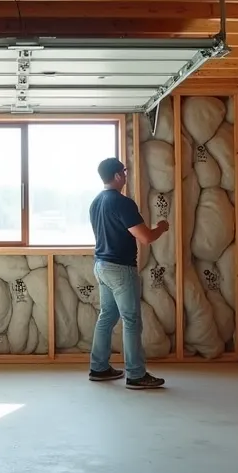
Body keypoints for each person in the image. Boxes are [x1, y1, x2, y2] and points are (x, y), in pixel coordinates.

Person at [86, 157, 168, 389]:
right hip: (120, 268)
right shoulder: (122, 203)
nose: (126, 175)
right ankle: (136, 374)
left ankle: (99, 368)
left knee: (107, 316)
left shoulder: (96, 202)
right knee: (131, 320)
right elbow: (145, 237)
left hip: (101, 265)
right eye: (124, 171)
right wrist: (161, 227)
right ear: (118, 176)